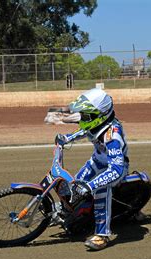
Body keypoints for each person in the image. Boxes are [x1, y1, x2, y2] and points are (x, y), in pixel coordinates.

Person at [55, 88, 129, 250]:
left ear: (99, 115)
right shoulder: (97, 123)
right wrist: (66, 138)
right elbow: (85, 129)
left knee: (101, 190)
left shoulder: (113, 135)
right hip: (96, 162)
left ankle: (102, 235)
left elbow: (116, 169)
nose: (82, 118)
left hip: (116, 169)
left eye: (85, 115)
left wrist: (91, 186)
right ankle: (77, 213)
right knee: (76, 185)